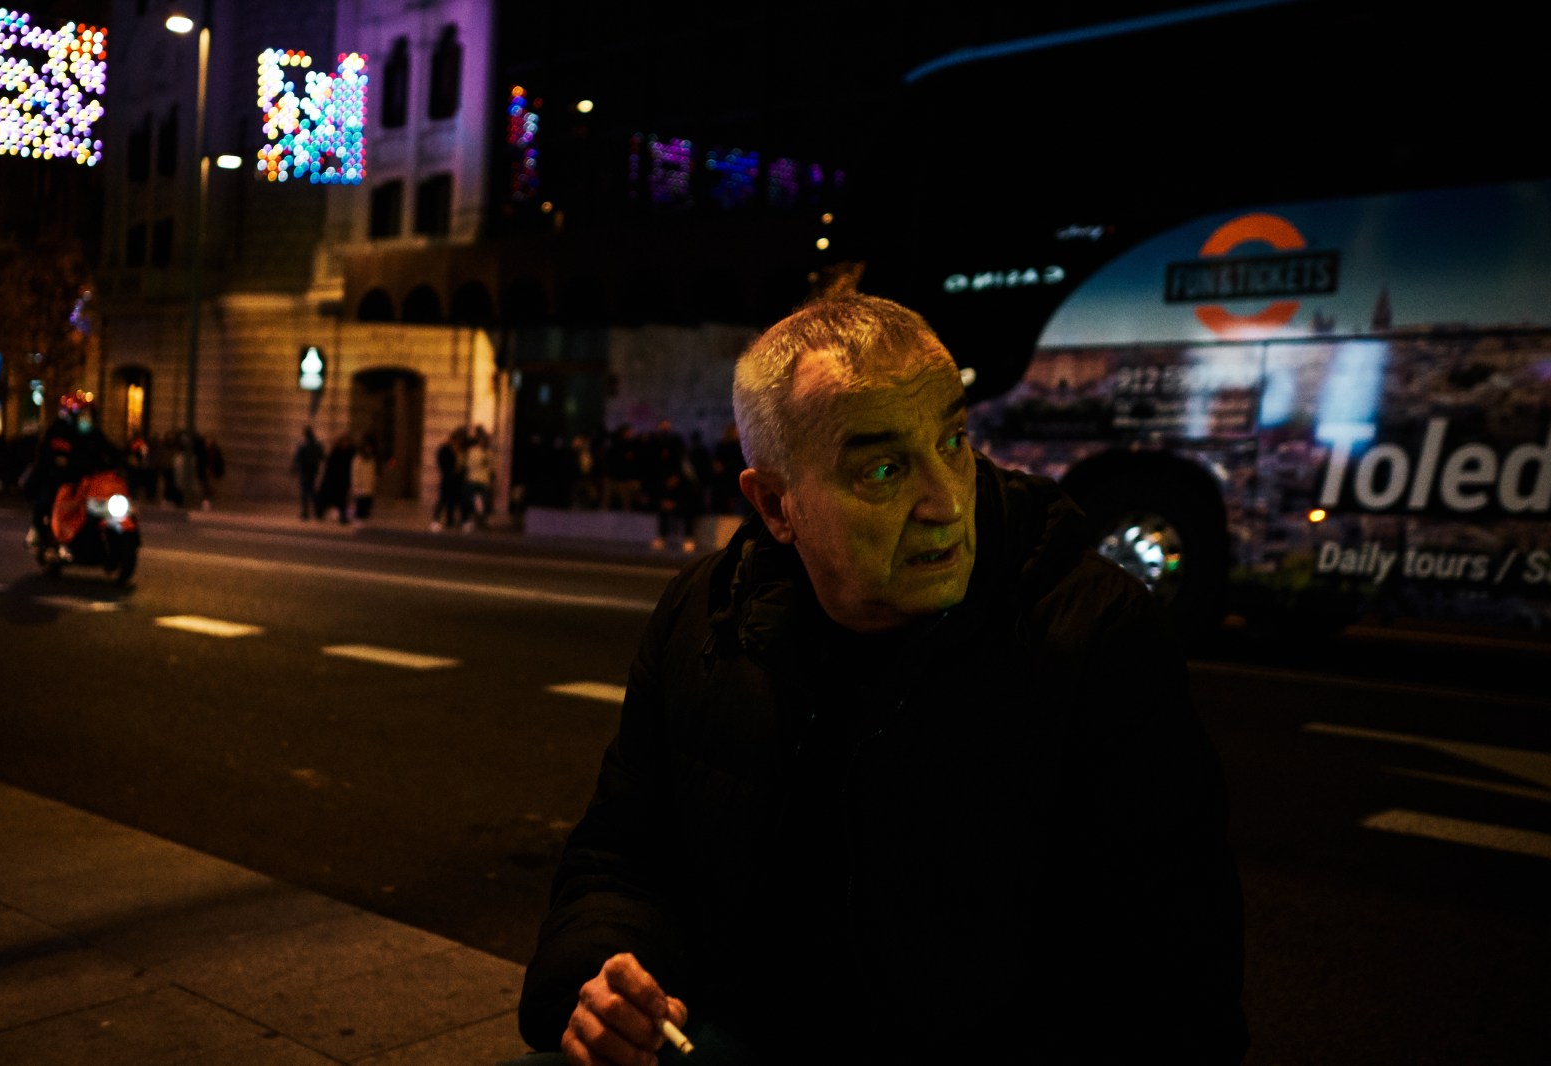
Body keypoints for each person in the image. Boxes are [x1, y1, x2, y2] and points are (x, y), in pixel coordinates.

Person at [513, 294, 1247, 1064]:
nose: (946, 501)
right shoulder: (703, 618)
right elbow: (624, 855)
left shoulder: (1092, 633)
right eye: (886, 469)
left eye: (954, 440)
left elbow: (1172, 977)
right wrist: (601, 978)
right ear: (775, 504)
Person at [25, 390, 123, 549]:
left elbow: (109, 449)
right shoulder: (58, 431)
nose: (86, 417)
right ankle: (38, 531)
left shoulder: (93, 433)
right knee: (48, 498)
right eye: (82, 413)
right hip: (61, 479)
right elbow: (47, 455)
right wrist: (60, 462)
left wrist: (124, 459)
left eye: (88, 413)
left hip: (89, 481)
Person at [290, 426, 324, 520]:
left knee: (305, 491)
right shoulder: (318, 444)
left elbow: (297, 458)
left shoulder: (303, 445)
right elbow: (322, 456)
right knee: (312, 490)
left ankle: (305, 512)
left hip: (304, 470)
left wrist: (293, 469)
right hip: (313, 470)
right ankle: (318, 512)